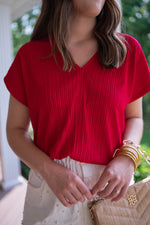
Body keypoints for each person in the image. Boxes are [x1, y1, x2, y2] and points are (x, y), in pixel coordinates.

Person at [3, 0, 150, 224]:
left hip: (115, 196)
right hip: (50, 194)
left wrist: (127, 159)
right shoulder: (29, 57)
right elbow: (14, 131)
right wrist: (50, 171)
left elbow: (135, 117)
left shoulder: (127, 51)